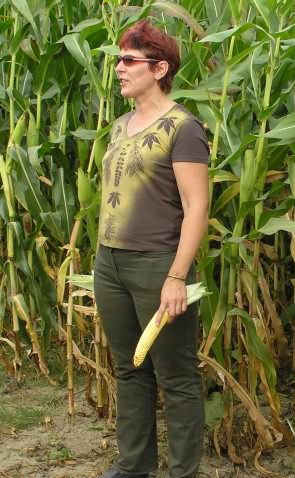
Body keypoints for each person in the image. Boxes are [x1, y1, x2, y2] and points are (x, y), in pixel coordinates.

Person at [94, 19, 209, 478]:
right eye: (119, 60)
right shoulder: (121, 125)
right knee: (129, 368)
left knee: (176, 376)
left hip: (158, 264)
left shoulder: (183, 128)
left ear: (160, 69)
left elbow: (196, 207)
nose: (119, 68)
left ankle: (183, 472)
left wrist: (176, 276)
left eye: (129, 60)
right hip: (111, 262)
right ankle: (133, 465)